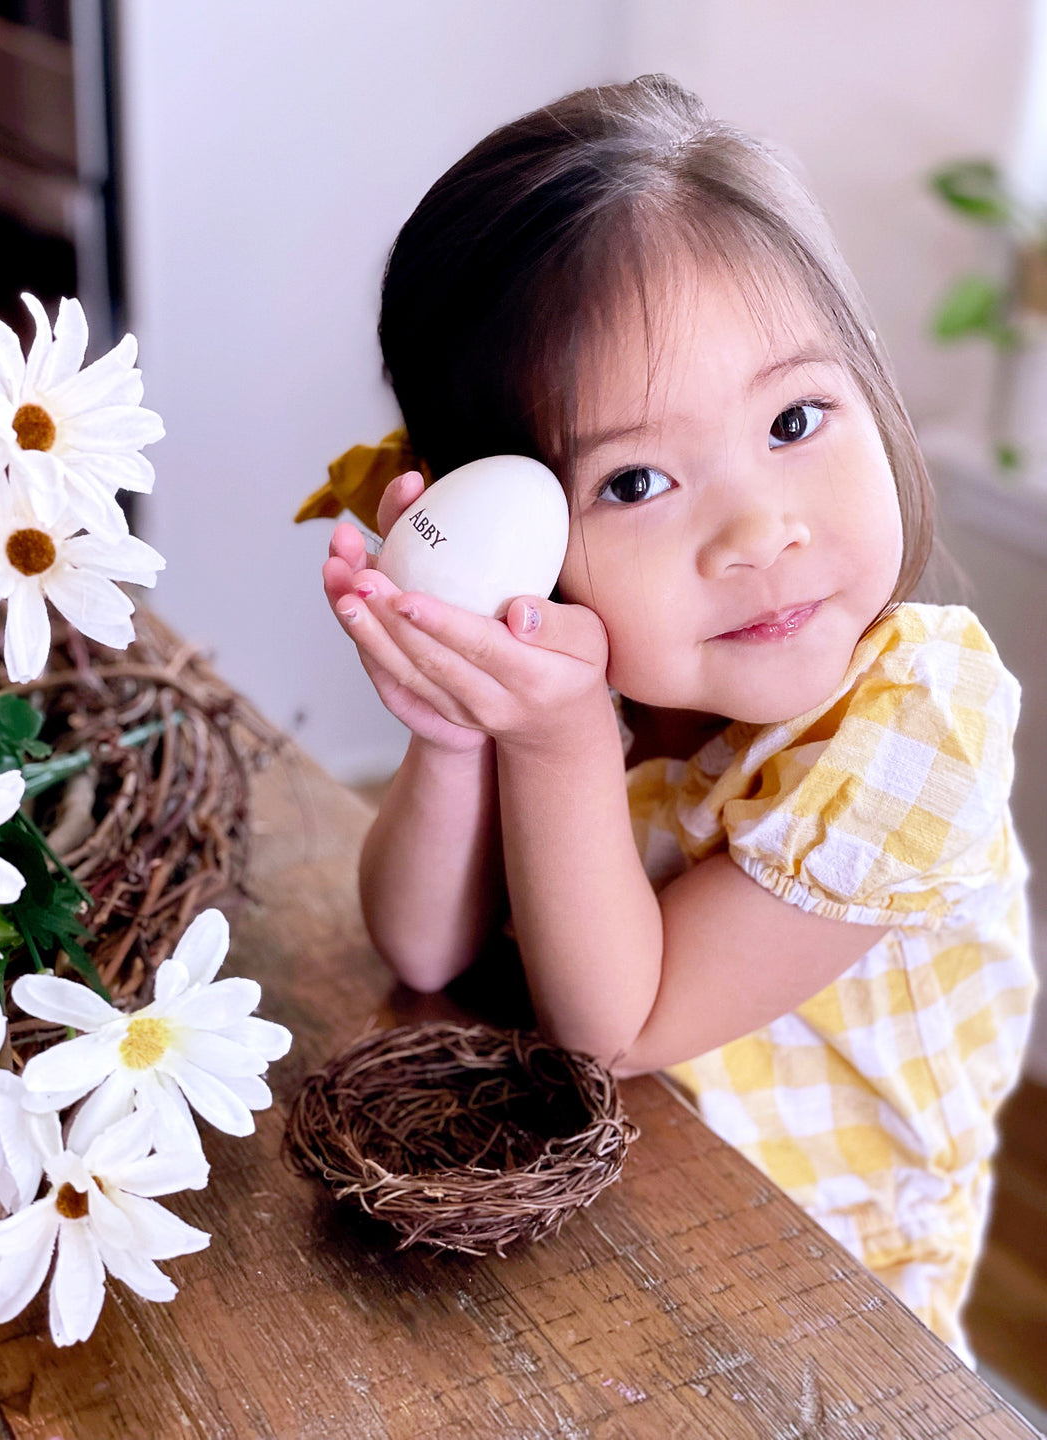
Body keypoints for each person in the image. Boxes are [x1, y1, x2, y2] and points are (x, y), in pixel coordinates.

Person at [312, 75, 1035, 1359]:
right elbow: (422, 951)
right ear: (524, 532)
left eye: (796, 419)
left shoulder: (920, 723)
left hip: (831, 1326)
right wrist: (456, 729)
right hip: (609, 1246)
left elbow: (622, 1025)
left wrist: (555, 743)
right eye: (637, 481)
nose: (758, 531)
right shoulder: (613, 671)